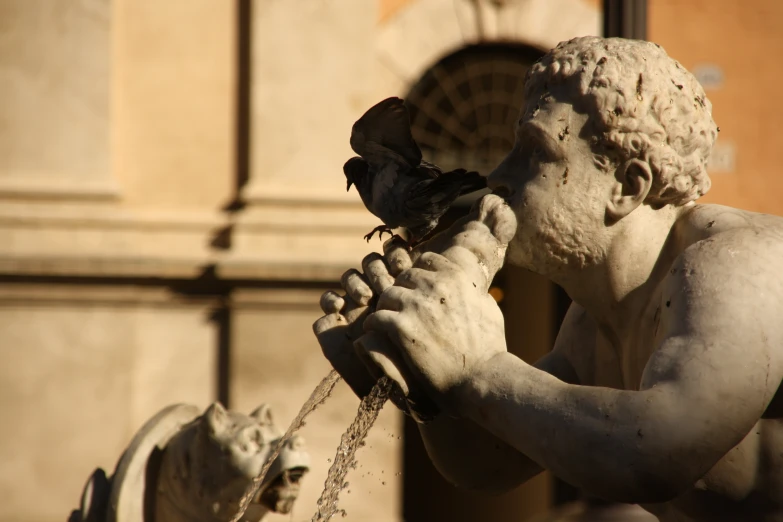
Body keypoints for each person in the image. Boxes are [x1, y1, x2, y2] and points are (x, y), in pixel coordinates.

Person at [314, 36, 783, 522]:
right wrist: (424, 379)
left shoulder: (735, 262)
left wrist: (479, 368)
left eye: (534, 151)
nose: (497, 175)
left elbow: (660, 451)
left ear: (627, 186)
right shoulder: (594, 319)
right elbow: (486, 465)